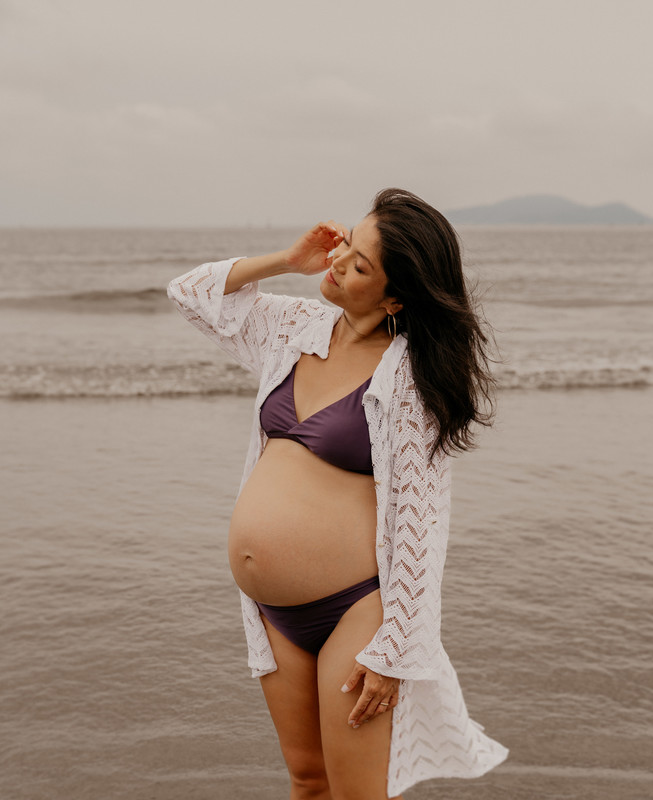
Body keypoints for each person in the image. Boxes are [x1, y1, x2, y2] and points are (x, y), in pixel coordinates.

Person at [168, 189, 507, 799]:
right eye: (346, 242)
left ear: (396, 297)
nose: (338, 262)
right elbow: (189, 293)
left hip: (355, 610)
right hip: (273, 614)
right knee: (307, 781)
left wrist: (395, 652)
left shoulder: (410, 380)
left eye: (359, 265)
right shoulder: (293, 328)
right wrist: (287, 260)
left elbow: (421, 523)